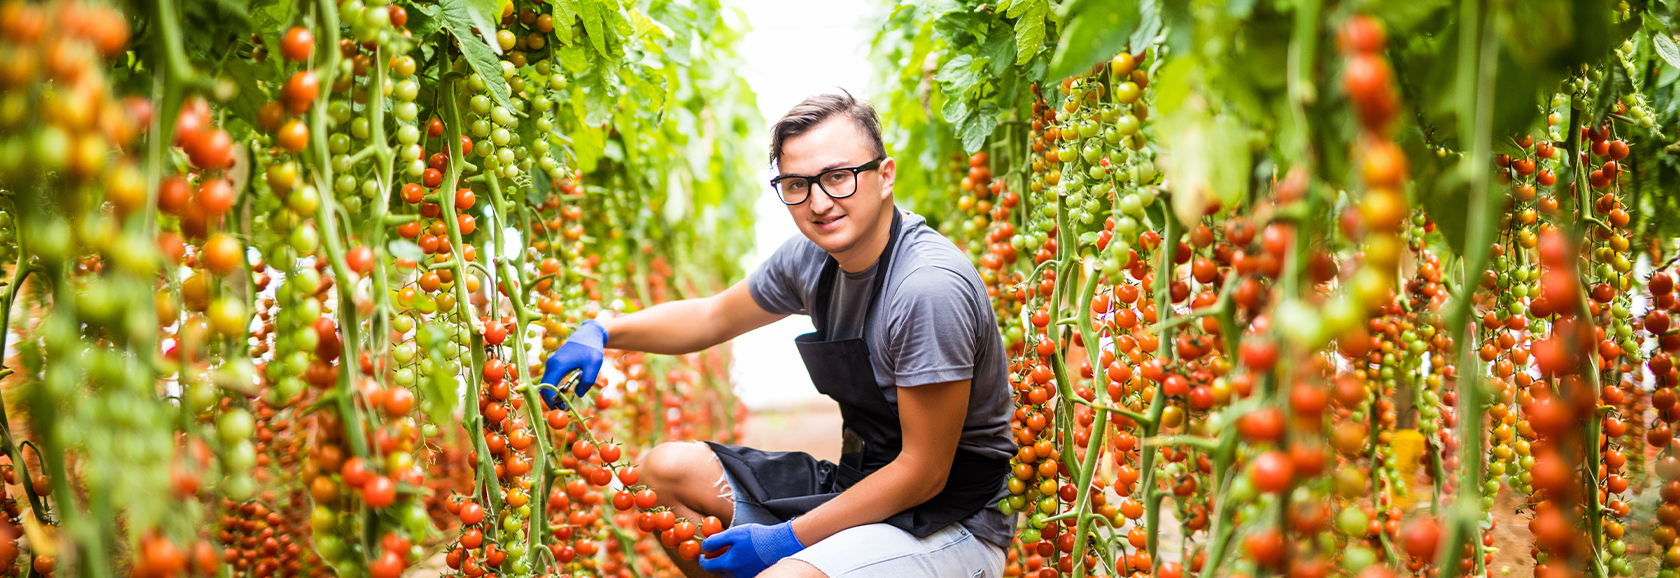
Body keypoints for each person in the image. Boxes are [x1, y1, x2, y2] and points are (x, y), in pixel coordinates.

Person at [539, 91, 1015, 578]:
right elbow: (712, 317)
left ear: (884, 174)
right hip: (860, 488)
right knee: (665, 474)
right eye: (796, 184)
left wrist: (784, 541)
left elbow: (923, 472)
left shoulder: (926, 287)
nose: (820, 202)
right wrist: (603, 330)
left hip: (953, 521)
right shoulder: (811, 259)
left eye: (838, 177)